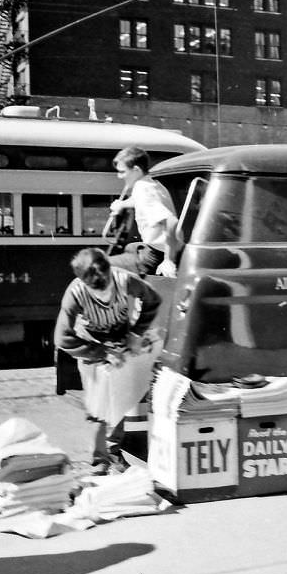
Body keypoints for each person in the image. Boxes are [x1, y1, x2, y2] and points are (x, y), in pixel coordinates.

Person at [54, 247, 161, 474]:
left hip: (121, 340)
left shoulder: (125, 280)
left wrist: (136, 334)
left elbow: (153, 300)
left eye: (106, 286)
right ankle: (99, 458)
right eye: (96, 289)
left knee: (125, 395)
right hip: (90, 345)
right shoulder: (74, 294)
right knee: (98, 403)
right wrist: (101, 353)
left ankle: (115, 450)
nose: (103, 294)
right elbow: (62, 337)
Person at [107, 146, 180, 278]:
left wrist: (169, 260)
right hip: (155, 249)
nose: (119, 176)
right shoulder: (151, 184)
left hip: (156, 253)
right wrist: (122, 204)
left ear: (136, 170)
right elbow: (140, 201)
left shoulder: (142, 189)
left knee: (99, 268)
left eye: (122, 172)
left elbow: (172, 222)